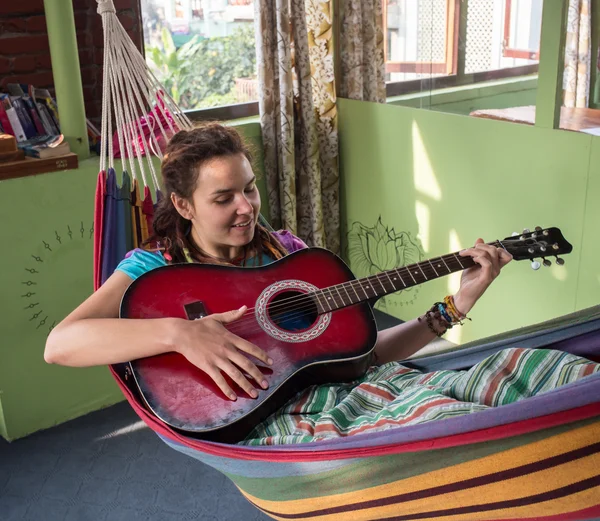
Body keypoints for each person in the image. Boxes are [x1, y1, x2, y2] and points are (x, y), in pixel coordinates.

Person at [45, 123, 600, 446]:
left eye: (251, 188)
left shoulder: (287, 256)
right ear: (184, 205)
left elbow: (364, 355)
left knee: (539, 375)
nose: (246, 208)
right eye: (224, 198)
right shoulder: (152, 270)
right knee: (454, 428)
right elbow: (61, 345)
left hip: (352, 393)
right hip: (278, 425)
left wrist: (455, 304)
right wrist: (182, 334)